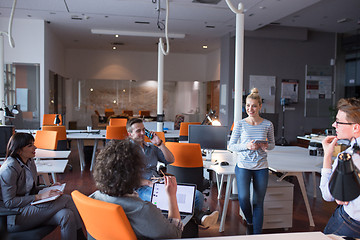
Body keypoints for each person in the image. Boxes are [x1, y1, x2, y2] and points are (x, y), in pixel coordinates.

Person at [127, 118, 219, 228]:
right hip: (140, 188)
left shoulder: (151, 147)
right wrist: (147, 183)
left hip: (159, 184)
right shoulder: (126, 151)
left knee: (197, 195)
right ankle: (200, 218)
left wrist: (160, 144)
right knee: (171, 198)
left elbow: (170, 160)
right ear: (130, 134)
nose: (142, 133)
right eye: (138, 131)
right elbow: (126, 177)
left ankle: (191, 226)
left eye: (143, 130)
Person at [91, 139, 183, 239]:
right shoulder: (144, 209)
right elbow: (174, 235)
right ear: (135, 174)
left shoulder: (94, 198)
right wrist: (172, 196)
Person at [0, 133, 85, 240]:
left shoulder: (29, 161)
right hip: (15, 216)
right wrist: (39, 197)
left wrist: (48, 187)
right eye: (30, 145)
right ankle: (81, 236)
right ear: (18, 150)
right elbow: (9, 202)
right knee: (66, 199)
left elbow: (30, 188)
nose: (35, 147)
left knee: (67, 215)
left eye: (33, 144)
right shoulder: (9, 169)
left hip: (29, 207)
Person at [228, 88, 275, 235]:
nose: (250, 109)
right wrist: (246, 146)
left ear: (260, 106)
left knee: (258, 202)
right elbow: (231, 146)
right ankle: (249, 220)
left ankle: (257, 235)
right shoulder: (240, 124)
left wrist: (267, 145)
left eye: (254, 106)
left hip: (261, 166)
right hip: (243, 166)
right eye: (248, 105)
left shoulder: (268, 124)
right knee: (243, 198)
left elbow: (273, 144)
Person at [320, 97, 360, 239]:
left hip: (351, 223)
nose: (334, 124)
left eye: (338, 122)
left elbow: (327, 194)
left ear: (355, 127)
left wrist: (327, 155)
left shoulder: (347, 157)